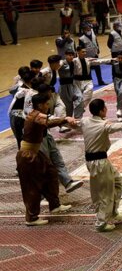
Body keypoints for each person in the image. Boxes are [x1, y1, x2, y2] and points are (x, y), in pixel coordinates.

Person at [76, 99, 122, 231]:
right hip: (99, 162)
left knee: (119, 183)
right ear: (101, 111)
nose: (106, 109)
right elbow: (115, 126)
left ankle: (113, 211)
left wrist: (66, 119)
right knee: (105, 192)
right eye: (105, 107)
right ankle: (101, 222)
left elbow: (73, 123)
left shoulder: (85, 121)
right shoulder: (103, 125)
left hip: (100, 160)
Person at [16, 94, 77, 225]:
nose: (48, 106)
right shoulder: (36, 116)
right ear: (39, 105)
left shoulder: (37, 114)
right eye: (46, 103)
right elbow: (48, 122)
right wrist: (65, 119)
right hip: (28, 156)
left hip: (37, 154)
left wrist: (64, 119)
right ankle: (31, 218)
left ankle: (54, 205)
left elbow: (48, 119)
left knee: (51, 174)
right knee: (32, 186)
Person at [71, 45, 111, 118]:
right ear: (78, 52)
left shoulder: (88, 60)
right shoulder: (74, 61)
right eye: (83, 52)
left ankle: (80, 109)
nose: (85, 53)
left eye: (85, 52)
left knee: (88, 94)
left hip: (88, 80)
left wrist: (111, 60)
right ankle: (78, 115)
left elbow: (99, 61)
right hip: (77, 81)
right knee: (79, 99)